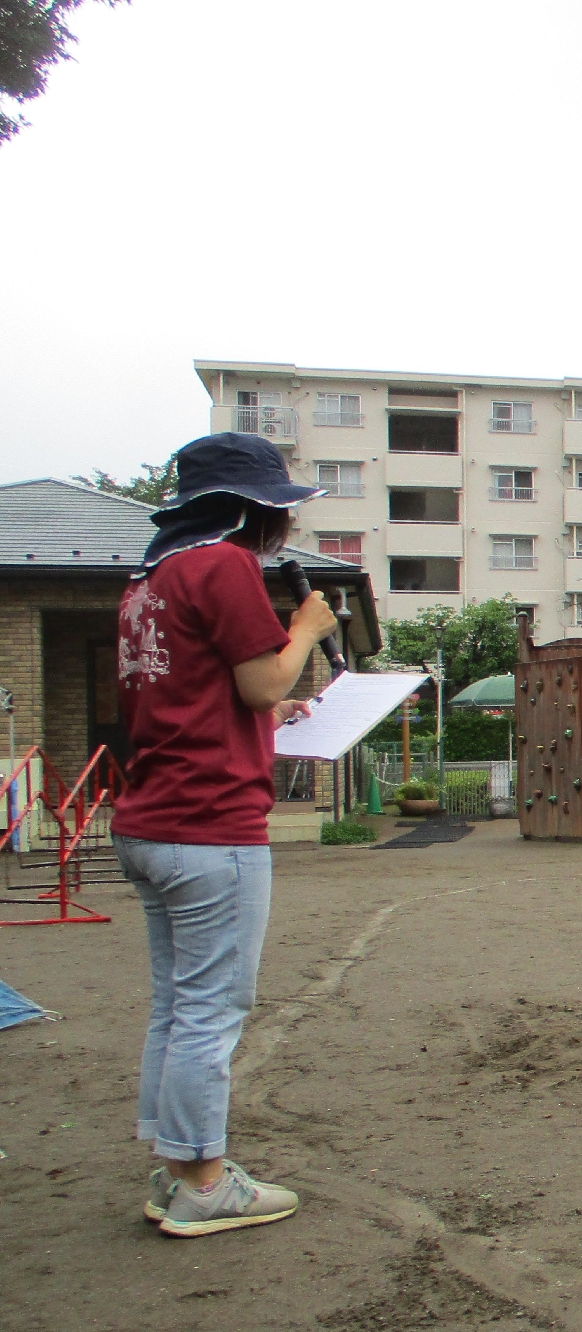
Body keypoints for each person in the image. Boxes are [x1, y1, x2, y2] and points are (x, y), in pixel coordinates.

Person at [113, 431, 340, 1237]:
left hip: (148, 816)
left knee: (177, 1004)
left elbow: (206, 695)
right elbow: (260, 678)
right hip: (210, 825)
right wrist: (306, 631)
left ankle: (178, 1168)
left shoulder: (152, 576)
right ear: (256, 509)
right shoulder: (227, 565)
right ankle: (206, 1182)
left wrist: (276, 709)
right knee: (212, 1007)